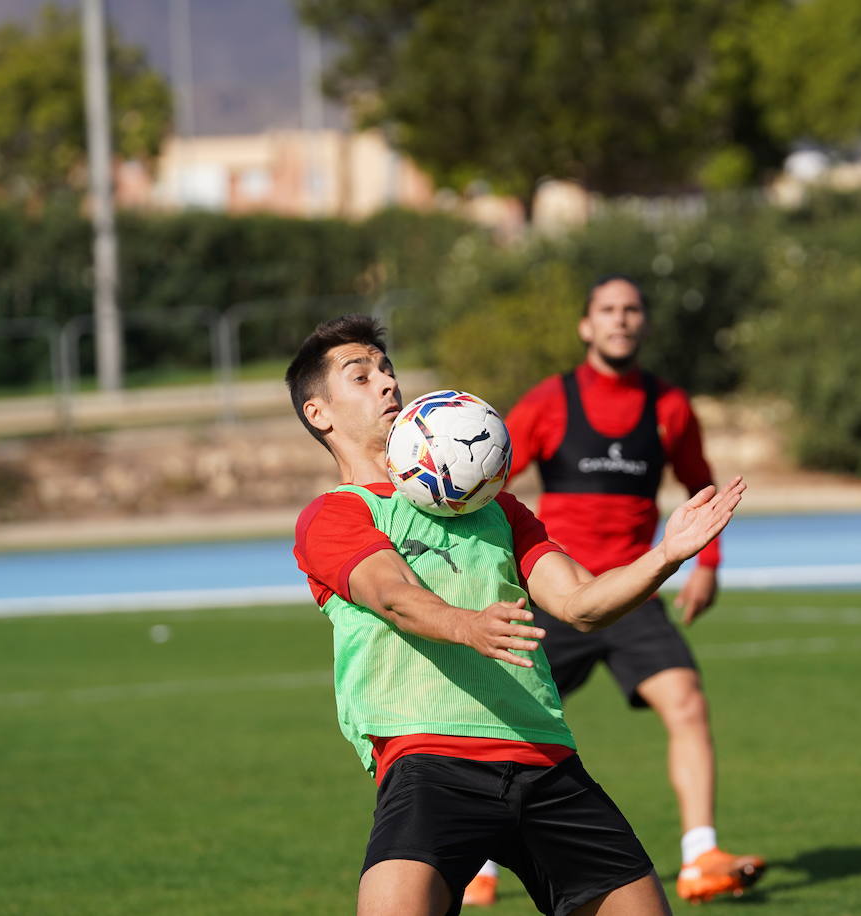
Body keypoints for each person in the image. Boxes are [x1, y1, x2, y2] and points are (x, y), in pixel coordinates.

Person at [285, 314, 745, 916]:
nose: (388, 385)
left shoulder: (499, 509)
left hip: (545, 759)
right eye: (362, 376)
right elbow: (392, 594)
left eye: (388, 370)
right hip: (429, 763)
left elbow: (581, 605)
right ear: (319, 414)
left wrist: (666, 555)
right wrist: (467, 625)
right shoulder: (337, 515)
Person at [465, 276, 763, 907]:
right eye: (607, 310)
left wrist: (707, 562)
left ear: (644, 324)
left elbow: (699, 483)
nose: (620, 320)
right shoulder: (548, 401)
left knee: (685, 701)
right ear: (586, 326)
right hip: (556, 592)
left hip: (634, 595)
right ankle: (481, 864)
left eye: (631, 310)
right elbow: (484, 479)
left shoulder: (669, 407)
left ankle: (701, 855)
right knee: (509, 724)